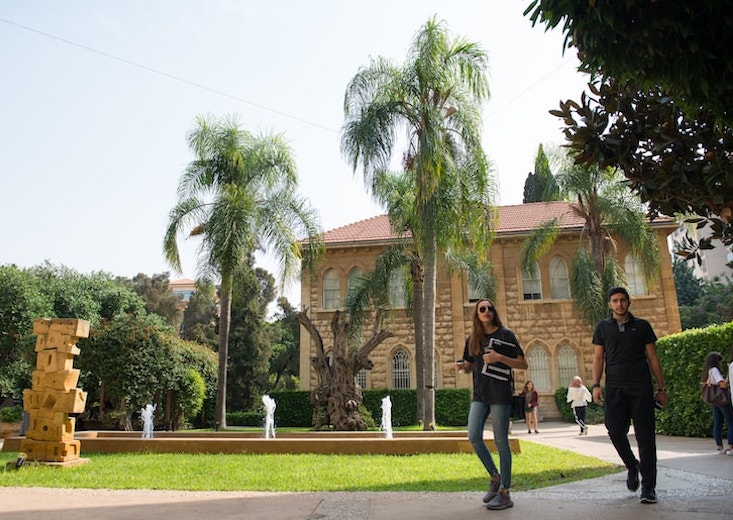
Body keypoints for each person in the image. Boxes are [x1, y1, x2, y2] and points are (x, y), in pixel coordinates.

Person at [591, 286, 668, 505]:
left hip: (641, 388)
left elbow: (653, 358)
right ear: (609, 304)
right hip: (615, 387)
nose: (619, 304)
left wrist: (661, 389)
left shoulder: (642, 326)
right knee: (615, 431)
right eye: (615, 301)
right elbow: (598, 358)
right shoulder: (603, 328)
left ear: (628, 302)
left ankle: (649, 488)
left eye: (623, 300)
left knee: (646, 438)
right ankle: (632, 466)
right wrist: (596, 385)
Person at [456, 298, 527, 511]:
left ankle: (505, 492)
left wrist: (499, 358)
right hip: (480, 395)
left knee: (500, 441)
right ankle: (495, 477)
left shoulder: (506, 335)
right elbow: (469, 365)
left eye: (489, 308)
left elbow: (523, 363)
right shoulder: (473, 339)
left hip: (500, 395)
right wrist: (461, 366)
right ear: (477, 315)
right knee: (473, 436)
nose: (486, 311)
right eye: (482, 309)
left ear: (494, 312)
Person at [701, 351, 733, 455]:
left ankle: (719, 447)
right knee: (731, 422)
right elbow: (722, 384)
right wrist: (729, 376)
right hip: (721, 399)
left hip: (714, 400)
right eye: (720, 361)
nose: (721, 363)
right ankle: (730, 446)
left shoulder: (708, 371)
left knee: (718, 422)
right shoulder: (714, 370)